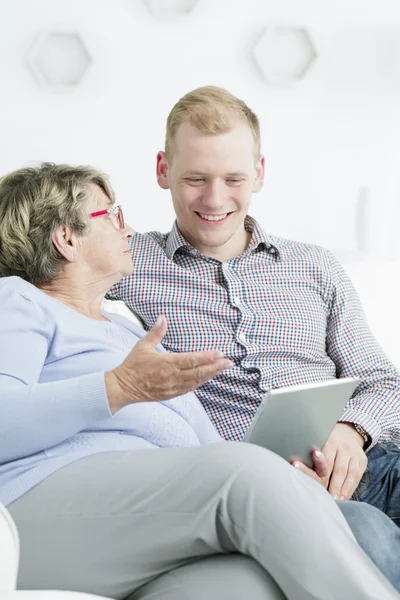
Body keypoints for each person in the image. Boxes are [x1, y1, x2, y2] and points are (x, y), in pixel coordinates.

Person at [0, 163, 398, 600]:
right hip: (36, 512)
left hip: (135, 528)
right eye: (111, 215)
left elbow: (212, 454)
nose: (127, 228)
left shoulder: (125, 330)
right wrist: (116, 389)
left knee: (250, 584)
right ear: (66, 238)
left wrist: (285, 485)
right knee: (242, 475)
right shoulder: (18, 303)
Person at [106, 85, 400, 547]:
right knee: (373, 538)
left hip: (369, 460)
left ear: (259, 174)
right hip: (261, 490)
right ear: (163, 170)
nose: (215, 198)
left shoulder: (314, 264)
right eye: (195, 178)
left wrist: (354, 429)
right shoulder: (127, 260)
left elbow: (383, 379)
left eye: (234, 179)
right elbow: (38, 256)